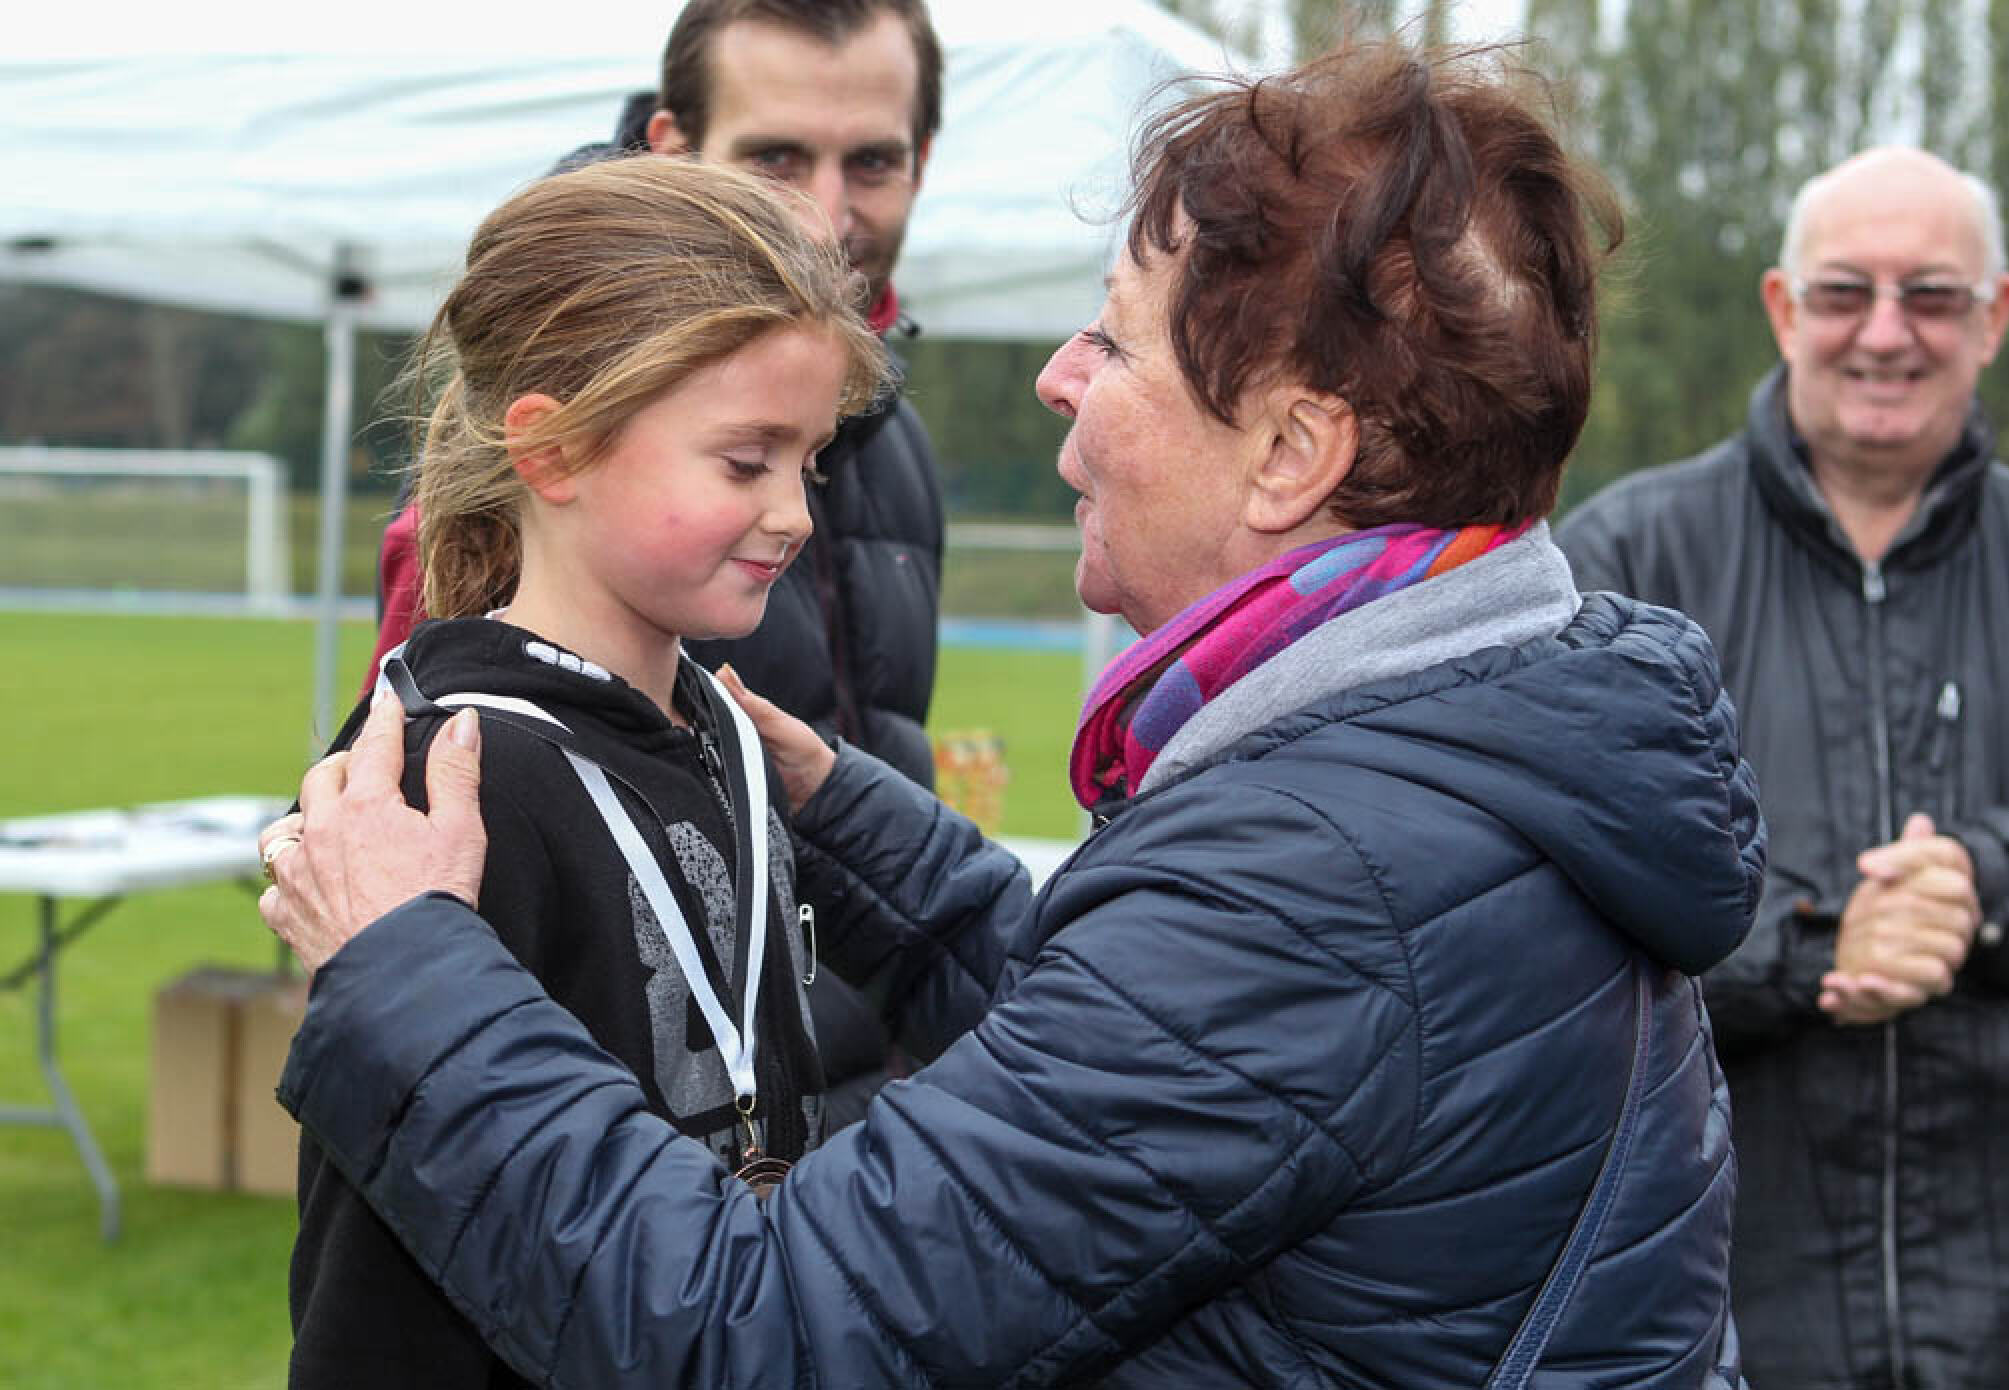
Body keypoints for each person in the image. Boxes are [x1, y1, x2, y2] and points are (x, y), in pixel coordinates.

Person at [262, 43, 1757, 1387]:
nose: (1057, 378)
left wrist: (411, 976)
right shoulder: (1460, 744)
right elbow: (1151, 1063)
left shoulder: (1328, 874)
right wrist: (850, 821)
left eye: (1117, 341)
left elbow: (764, 1330)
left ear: (1290, 452)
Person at [287, 155, 890, 1389]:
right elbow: (374, 1268)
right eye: (745, 462)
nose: (795, 513)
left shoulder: (724, 728)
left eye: (811, 462)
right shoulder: (448, 777)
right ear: (554, 449)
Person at [368, 0, 949, 1132]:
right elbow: (434, 1098)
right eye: (777, 157)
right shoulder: (476, 746)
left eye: (871, 162)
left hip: (823, 1134)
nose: (827, 213)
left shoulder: (901, 445)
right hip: (626, 1190)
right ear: (671, 147)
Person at [1559, 146, 2009, 1387]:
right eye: (1842, 293)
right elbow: (1551, 936)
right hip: (1710, 1325)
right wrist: (1817, 947)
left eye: (1928, 294)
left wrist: (1986, 888)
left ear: (1992, 315)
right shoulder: (1624, 567)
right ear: (1781, 308)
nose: (1883, 333)